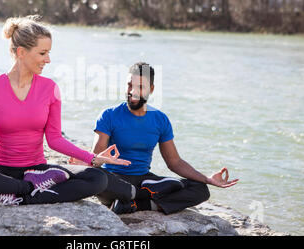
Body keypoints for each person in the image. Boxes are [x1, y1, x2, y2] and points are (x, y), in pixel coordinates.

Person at [0, 15, 130, 206]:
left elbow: (55, 139)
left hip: (38, 171)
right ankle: (28, 190)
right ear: (21, 52)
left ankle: (15, 196)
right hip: (0, 171)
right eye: (42, 53)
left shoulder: (50, 89)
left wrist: (92, 159)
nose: (48, 59)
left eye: (48, 53)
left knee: (97, 177)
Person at [83, 62, 239, 215]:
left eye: (140, 87)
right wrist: (89, 161)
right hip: (114, 180)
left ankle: (136, 204)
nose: (133, 91)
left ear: (151, 89)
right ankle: (148, 197)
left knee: (200, 190)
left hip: (143, 180)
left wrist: (207, 179)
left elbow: (175, 162)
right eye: (130, 85)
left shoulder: (160, 119)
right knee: (98, 179)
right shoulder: (109, 115)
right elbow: (95, 159)